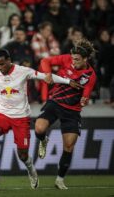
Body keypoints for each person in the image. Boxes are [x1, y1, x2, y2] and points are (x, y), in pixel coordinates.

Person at [0, 49, 81, 189]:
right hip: (3, 113)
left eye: (2, 64)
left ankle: (31, 171)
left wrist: (67, 81)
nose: (0, 68)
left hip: (21, 118)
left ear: (9, 60)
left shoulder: (23, 71)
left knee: (22, 155)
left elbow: (45, 76)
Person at [34, 39, 97, 189]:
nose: (73, 61)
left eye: (77, 59)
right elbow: (45, 60)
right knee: (39, 129)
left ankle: (60, 179)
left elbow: (86, 94)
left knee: (69, 146)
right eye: (73, 58)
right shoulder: (66, 59)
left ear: (85, 59)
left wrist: (84, 99)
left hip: (72, 111)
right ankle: (43, 140)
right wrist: (48, 73)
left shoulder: (90, 75)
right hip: (55, 102)